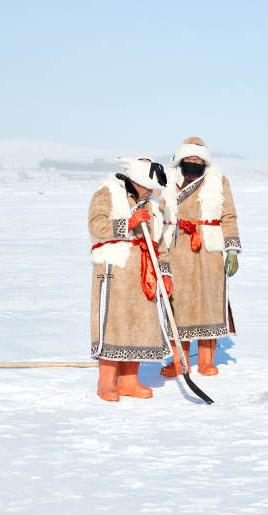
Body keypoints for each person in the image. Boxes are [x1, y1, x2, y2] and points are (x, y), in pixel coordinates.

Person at [88, 157, 173, 401]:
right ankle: (106, 382)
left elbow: (160, 241)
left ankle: (128, 380)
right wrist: (127, 224)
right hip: (115, 269)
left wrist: (165, 272)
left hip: (143, 270)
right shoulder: (108, 192)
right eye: (148, 185)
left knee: (138, 324)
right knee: (113, 325)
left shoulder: (151, 204)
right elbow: (95, 225)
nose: (151, 190)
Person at [158, 137, 240, 377]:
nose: (193, 163)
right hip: (176, 246)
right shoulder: (166, 180)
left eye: (198, 159)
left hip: (209, 248)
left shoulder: (218, 180)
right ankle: (178, 362)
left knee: (209, 304)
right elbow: (155, 208)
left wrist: (232, 249)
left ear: (204, 161)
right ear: (182, 159)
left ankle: (206, 362)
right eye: (189, 159)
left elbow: (229, 216)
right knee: (178, 304)